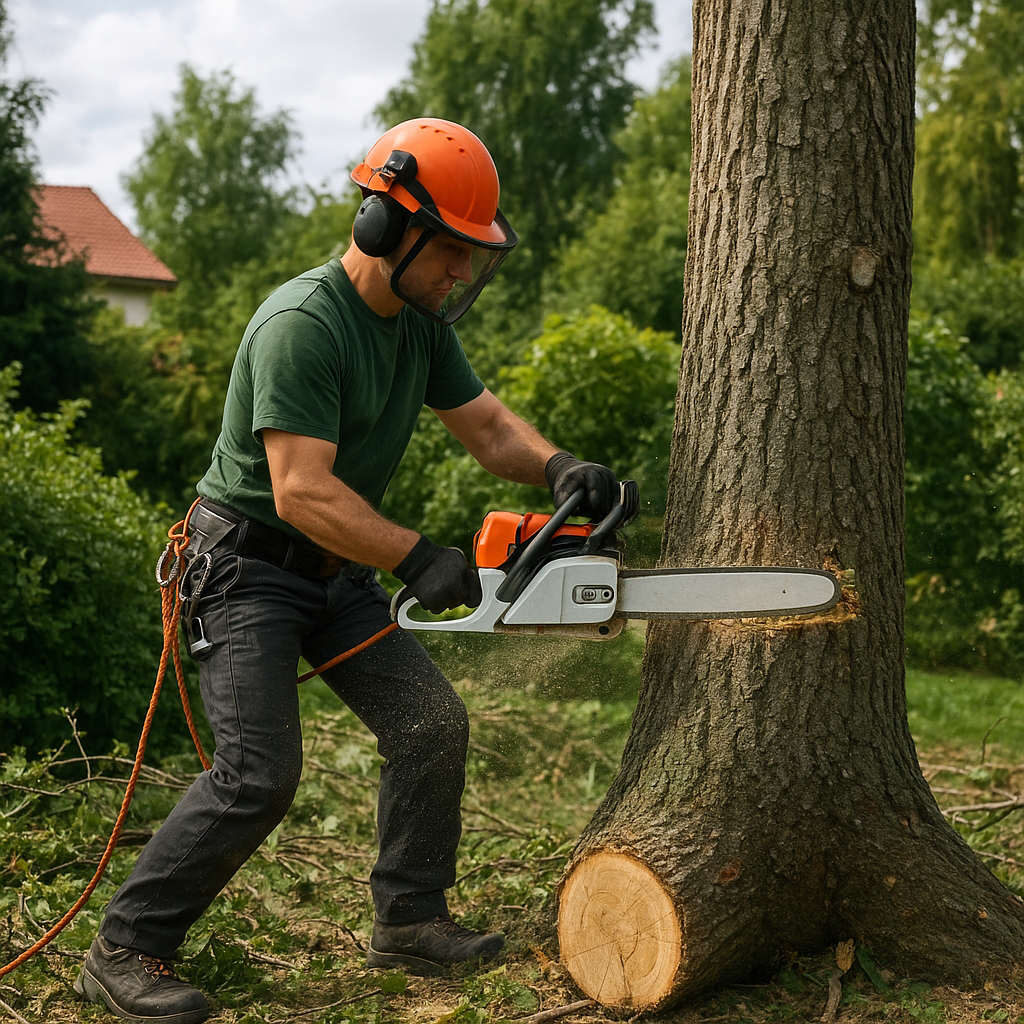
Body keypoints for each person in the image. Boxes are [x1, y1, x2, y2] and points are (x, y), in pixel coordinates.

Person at [75, 117, 621, 1024]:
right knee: (258, 774)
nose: (459, 273)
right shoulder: (303, 325)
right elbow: (299, 492)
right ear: (385, 227)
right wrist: (417, 555)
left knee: (429, 723)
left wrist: (560, 465)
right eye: (450, 251)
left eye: (469, 257)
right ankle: (125, 947)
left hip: (335, 579)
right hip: (246, 569)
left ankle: (408, 920)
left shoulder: (417, 326)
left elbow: (487, 427)